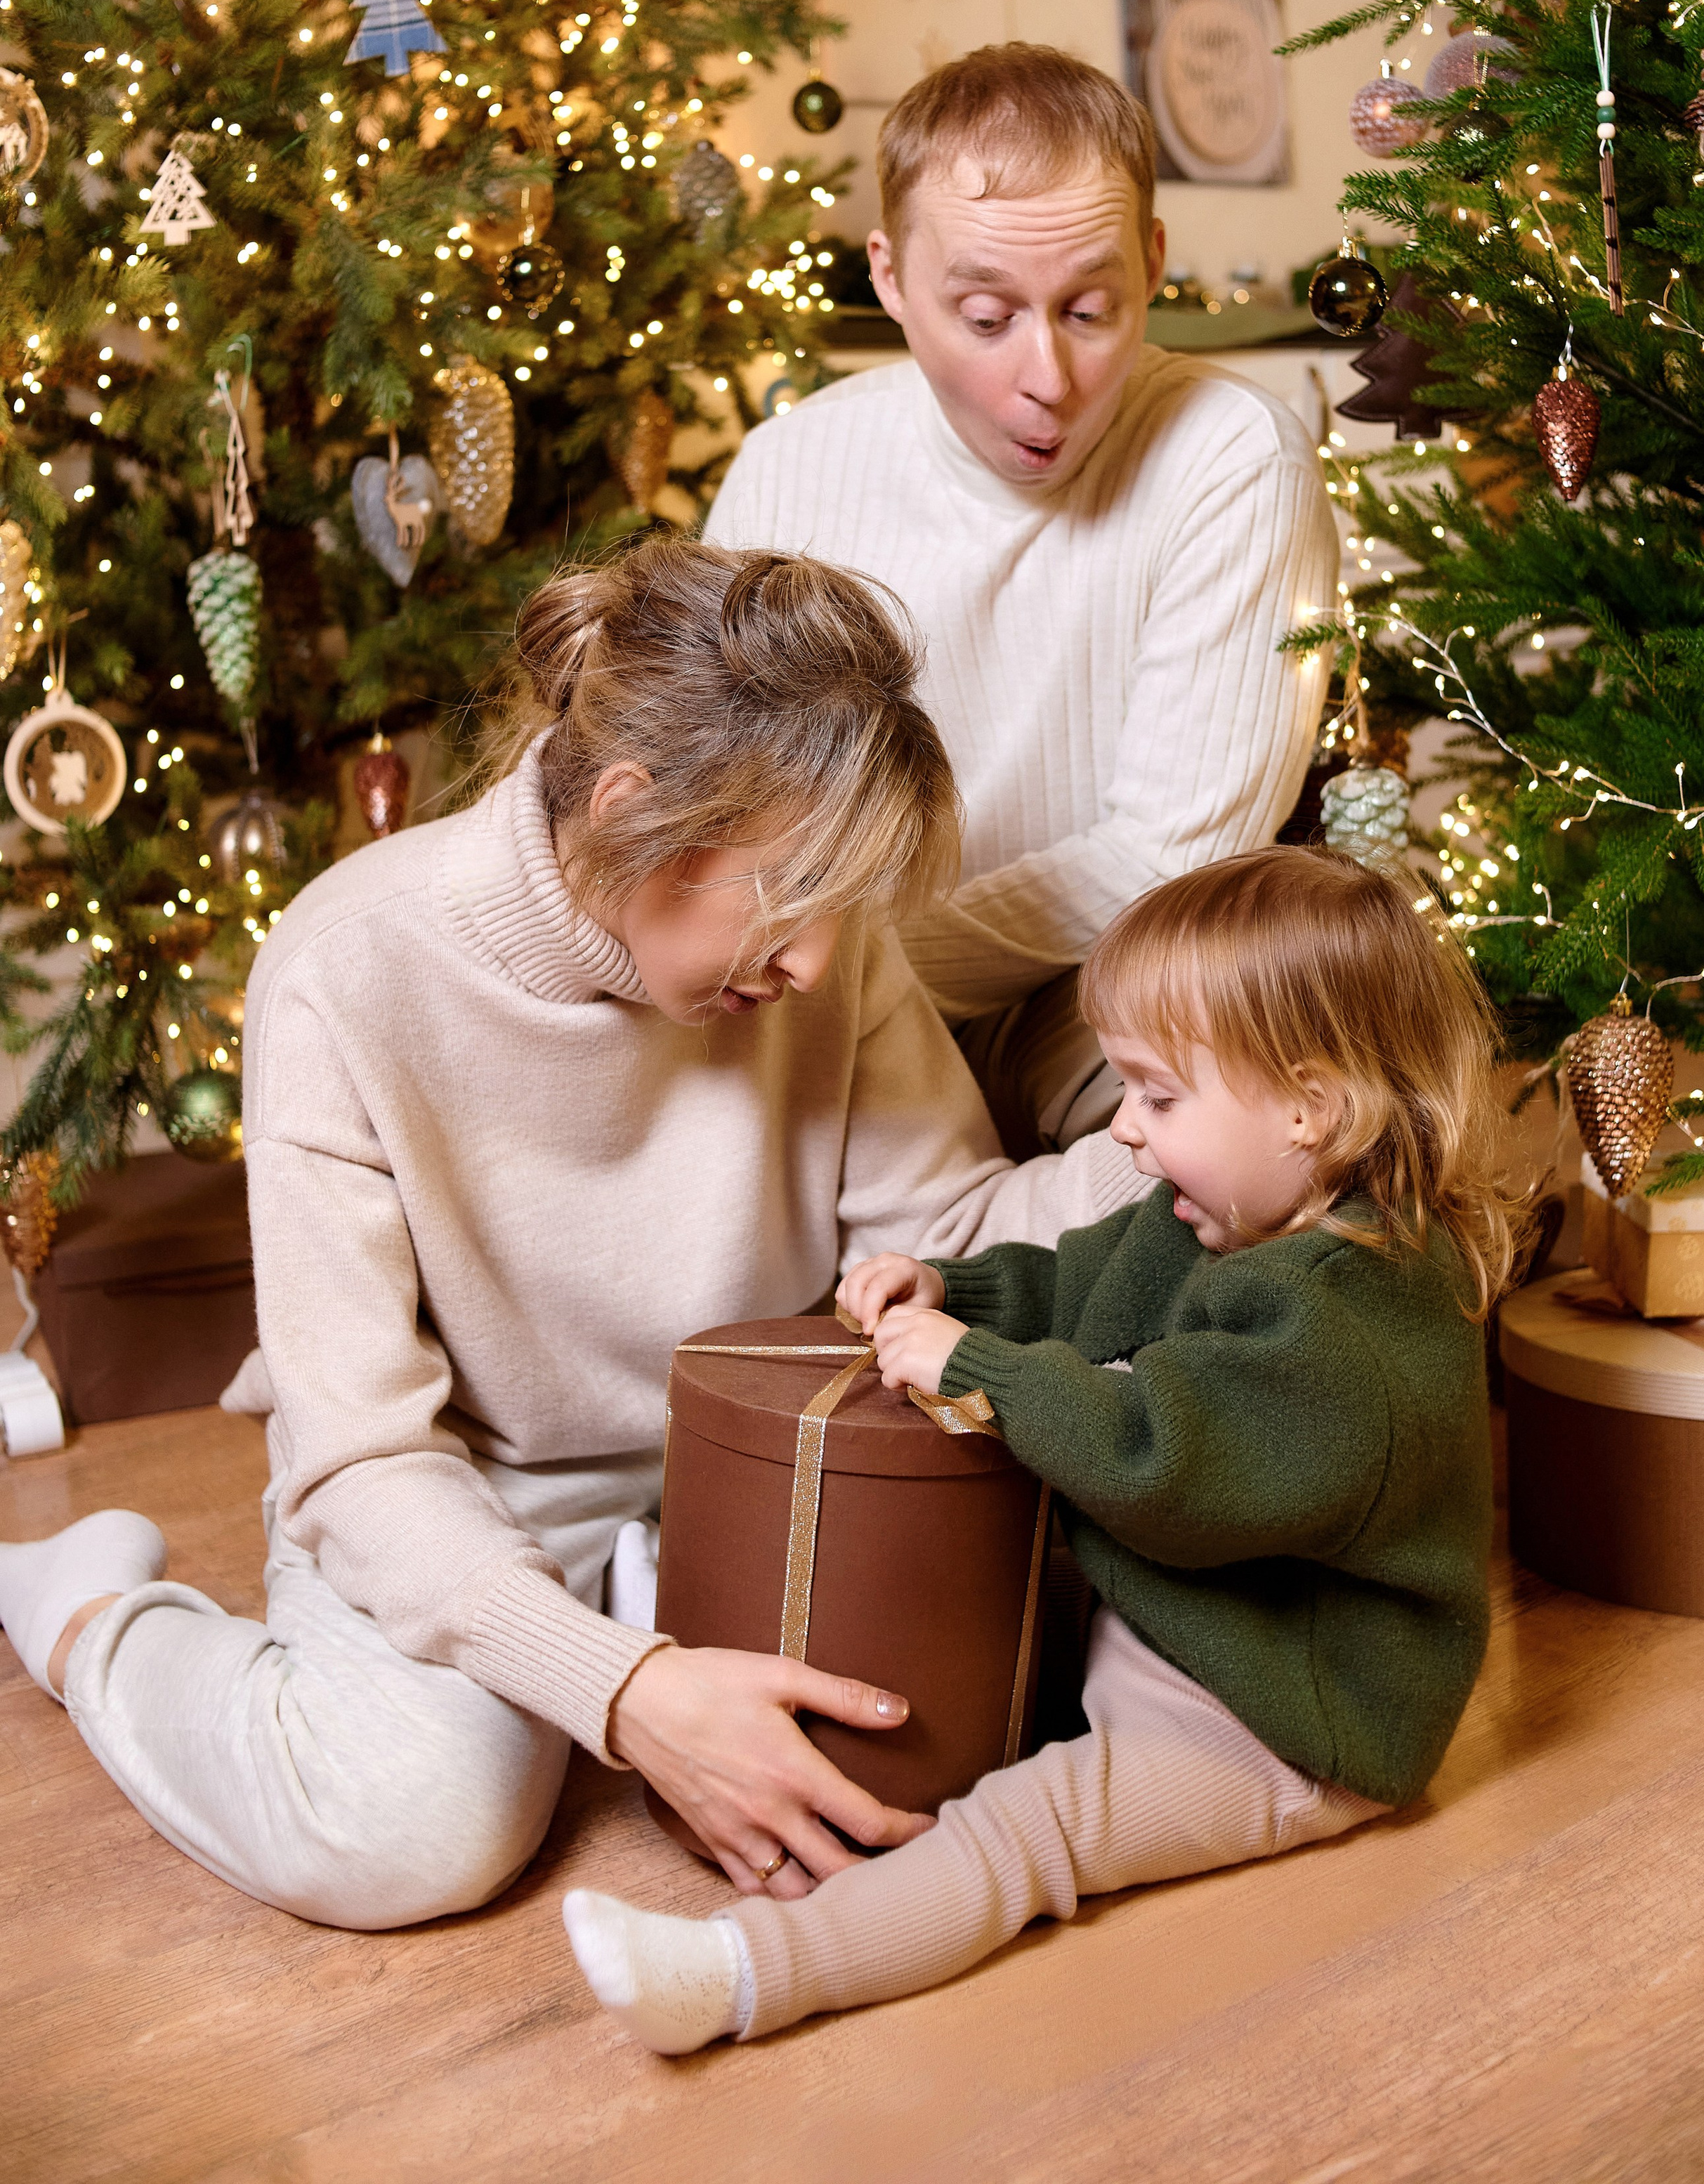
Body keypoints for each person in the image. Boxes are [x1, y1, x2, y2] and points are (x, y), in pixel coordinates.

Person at [0, 544, 1146, 1930]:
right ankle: (91, 1621)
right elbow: (363, 1455)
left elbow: (953, 1237)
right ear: (626, 810)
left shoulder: (807, 955)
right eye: (789, 911)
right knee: (413, 1830)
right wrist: (622, 1691)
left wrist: (1170, 1154)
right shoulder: (347, 964)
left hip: (744, 1449)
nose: (819, 970)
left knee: (1023, 1697)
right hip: (459, 1473)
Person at [561, 844, 1510, 2052]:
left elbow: (1164, 1458)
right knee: (956, 1609)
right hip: (1184, 1618)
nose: (1124, 1129)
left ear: (1308, 1109)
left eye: (1160, 1098)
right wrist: (951, 1287)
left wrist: (977, 1369)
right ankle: (715, 1624)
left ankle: (746, 1976)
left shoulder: (1350, 1318)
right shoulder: (1219, 1215)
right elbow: (1076, 1283)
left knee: (1026, 1834)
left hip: (1274, 1712)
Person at [706, 44, 1339, 1159]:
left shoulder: (1236, 455)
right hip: (816, 1008)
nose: (1046, 376)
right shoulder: (787, 467)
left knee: (1260, 1168)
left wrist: (860, 978)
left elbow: (1168, 855)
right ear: (891, 277)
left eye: (1091, 310)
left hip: (1101, 1008)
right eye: (988, 319)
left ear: (1152, 262)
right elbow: (724, 801)